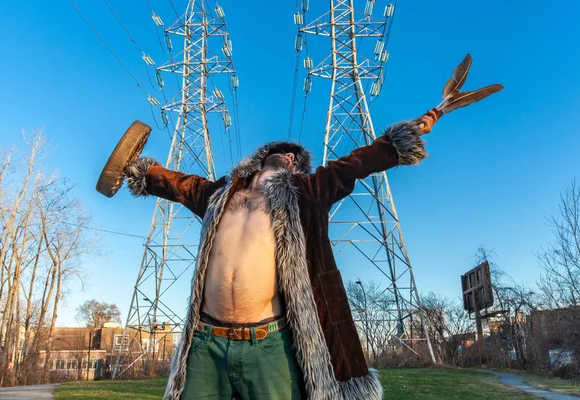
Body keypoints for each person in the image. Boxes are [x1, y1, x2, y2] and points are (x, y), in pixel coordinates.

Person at [125, 110, 439, 400]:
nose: (290, 156)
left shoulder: (307, 192)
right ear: (262, 158)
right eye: (284, 151)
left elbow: (354, 165)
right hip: (206, 342)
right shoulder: (219, 194)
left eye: (296, 157)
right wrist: (139, 169)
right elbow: (179, 184)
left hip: (268, 343)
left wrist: (402, 138)